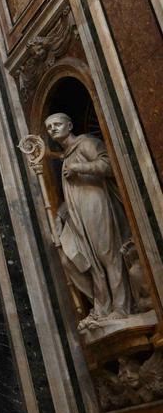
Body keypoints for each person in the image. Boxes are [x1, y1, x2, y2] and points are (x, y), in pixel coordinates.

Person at [45, 113, 132, 326]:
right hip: (77, 211)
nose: (53, 129)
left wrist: (79, 167)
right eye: (48, 127)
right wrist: (59, 215)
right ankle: (103, 307)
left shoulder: (85, 143)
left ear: (70, 125)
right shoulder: (66, 156)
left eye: (57, 124)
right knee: (82, 258)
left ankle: (121, 307)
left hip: (96, 203)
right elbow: (72, 192)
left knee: (106, 253)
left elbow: (109, 165)